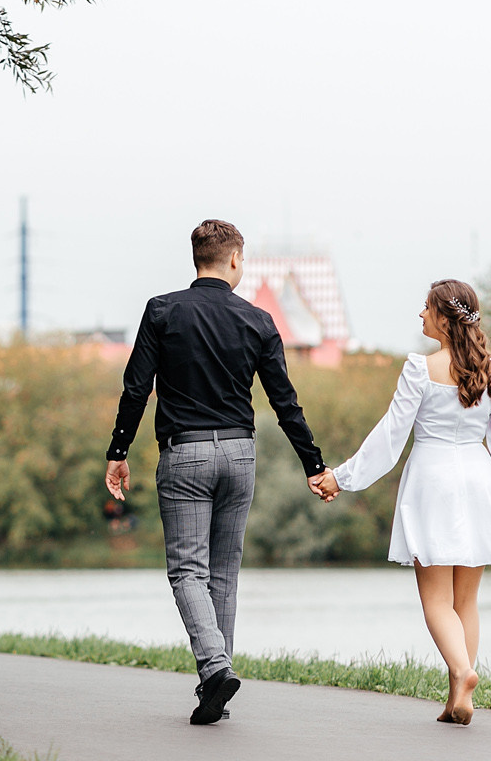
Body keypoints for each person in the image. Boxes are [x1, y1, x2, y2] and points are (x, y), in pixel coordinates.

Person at [105, 219, 338, 725]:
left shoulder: (162, 311)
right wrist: (313, 465)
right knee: (223, 574)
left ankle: (215, 670)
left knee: (188, 569)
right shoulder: (256, 319)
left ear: (196, 258)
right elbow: (284, 402)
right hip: (239, 456)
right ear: (235, 259)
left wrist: (118, 451)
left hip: (185, 455)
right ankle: (217, 685)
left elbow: (136, 388)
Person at [324, 279, 491, 725]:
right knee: (467, 602)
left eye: (426, 309)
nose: (420, 315)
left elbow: (390, 437)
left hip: (432, 481)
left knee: (436, 601)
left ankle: (462, 673)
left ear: (444, 317)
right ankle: (458, 695)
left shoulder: (419, 370)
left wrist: (342, 478)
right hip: (479, 481)